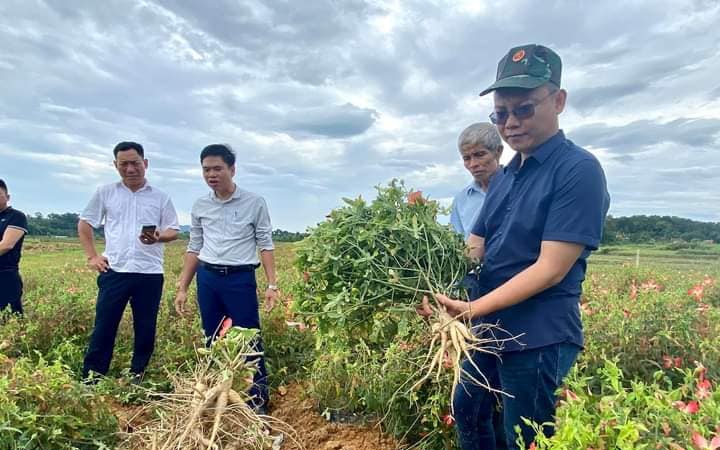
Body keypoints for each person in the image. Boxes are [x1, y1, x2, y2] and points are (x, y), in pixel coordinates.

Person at [421, 44, 610, 449]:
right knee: (468, 413)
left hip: (537, 335)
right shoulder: (506, 176)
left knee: (523, 436)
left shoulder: (578, 170)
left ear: (558, 101)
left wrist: (472, 308)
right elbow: (477, 242)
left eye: (523, 109)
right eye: (500, 113)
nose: (511, 123)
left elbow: (551, 268)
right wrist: (446, 292)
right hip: (487, 327)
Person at [174, 143, 278, 413]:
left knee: (248, 340)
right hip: (207, 279)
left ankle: (257, 402)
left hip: (239, 280)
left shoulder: (254, 203)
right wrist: (183, 286)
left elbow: (265, 243)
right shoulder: (200, 205)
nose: (212, 174)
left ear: (232, 169)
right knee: (213, 339)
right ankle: (220, 398)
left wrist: (271, 285)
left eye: (218, 168)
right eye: (206, 169)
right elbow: (194, 246)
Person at [79, 141, 179, 381]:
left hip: (149, 272)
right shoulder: (105, 192)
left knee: (145, 326)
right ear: (115, 165)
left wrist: (158, 236)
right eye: (124, 164)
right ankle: (93, 376)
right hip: (115, 270)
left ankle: (138, 373)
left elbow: (173, 230)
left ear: (145, 164)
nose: (130, 169)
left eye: (135, 163)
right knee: (104, 324)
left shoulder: (161, 197)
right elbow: (85, 223)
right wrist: (93, 256)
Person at [449, 123, 503, 239]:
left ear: (498, 152)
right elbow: (457, 243)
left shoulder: (517, 188)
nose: (473, 164)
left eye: (480, 155)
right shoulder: (461, 200)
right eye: (467, 158)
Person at [0, 179, 28, 316]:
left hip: (5, 276)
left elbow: (6, 245)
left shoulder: (16, 216)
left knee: (10, 320)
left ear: (8, 197)